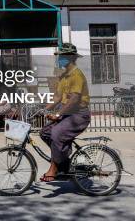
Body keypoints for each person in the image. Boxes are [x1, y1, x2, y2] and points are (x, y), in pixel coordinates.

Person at [40, 43, 91, 182]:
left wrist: (58, 114)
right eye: (59, 56)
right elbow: (57, 97)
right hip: (68, 114)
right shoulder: (63, 76)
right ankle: (63, 162)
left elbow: (74, 99)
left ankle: (54, 168)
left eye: (62, 56)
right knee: (45, 132)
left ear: (70, 57)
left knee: (56, 133)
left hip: (79, 115)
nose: (59, 59)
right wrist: (44, 108)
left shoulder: (77, 75)